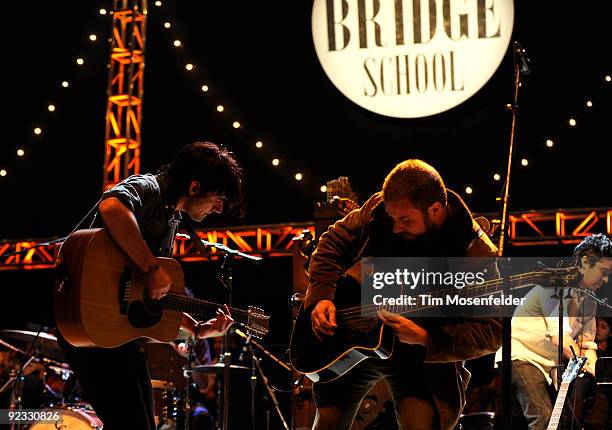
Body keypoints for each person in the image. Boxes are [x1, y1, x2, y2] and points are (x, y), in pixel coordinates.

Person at [56, 141, 245, 430]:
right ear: (194, 187)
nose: (218, 209)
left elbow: (147, 293)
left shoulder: (172, 219)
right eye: (217, 198)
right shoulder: (149, 188)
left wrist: (195, 329)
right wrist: (151, 266)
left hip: (116, 338)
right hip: (90, 323)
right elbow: (112, 205)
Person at [305, 159, 502, 430]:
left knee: (421, 422)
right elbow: (331, 243)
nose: (395, 227)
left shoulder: (476, 253)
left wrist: (428, 338)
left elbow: (491, 332)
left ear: (434, 210)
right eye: (392, 218)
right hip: (356, 342)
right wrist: (323, 296)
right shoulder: (378, 209)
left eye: (405, 220)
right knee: (328, 419)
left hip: (419, 359)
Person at [494, 233, 612, 430]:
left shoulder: (589, 301)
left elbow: (586, 345)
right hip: (521, 356)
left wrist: (599, 375)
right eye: (604, 271)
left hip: (549, 367)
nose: (606, 280)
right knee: (546, 421)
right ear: (584, 263)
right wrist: (586, 365)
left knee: (568, 424)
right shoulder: (553, 287)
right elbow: (561, 339)